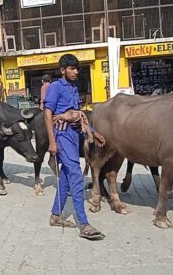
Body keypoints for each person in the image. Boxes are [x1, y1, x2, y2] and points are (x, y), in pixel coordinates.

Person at [44, 54, 106, 240]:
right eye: (71, 68)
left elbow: (79, 117)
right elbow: (48, 114)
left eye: (77, 68)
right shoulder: (55, 87)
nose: (75, 72)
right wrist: (52, 141)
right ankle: (84, 224)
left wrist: (93, 132)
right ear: (62, 70)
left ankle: (56, 216)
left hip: (74, 134)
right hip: (61, 135)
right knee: (76, 176)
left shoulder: (73, 88)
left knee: (65, 177)